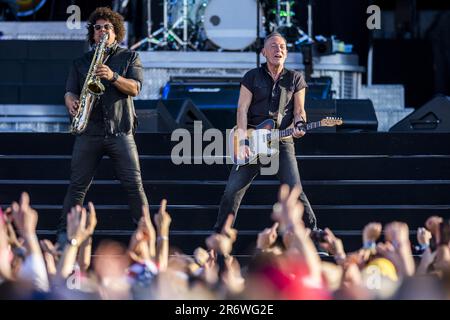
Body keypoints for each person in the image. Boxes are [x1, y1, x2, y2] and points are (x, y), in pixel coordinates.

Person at [57, 7, 148, 243]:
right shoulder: (80, 62)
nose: (102, 31)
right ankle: (64, 238)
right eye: (98, 28)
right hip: (89, 131)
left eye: (107, 27)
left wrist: (113, 76)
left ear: (116, 32)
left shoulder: (129, 57)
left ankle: (147, 237)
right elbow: (69, 91)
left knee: (134, 186)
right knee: (77, 187)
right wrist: (71, 102)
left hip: (121, 132)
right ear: (93, 34)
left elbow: (136, 88)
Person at [213, 32, 318, 233]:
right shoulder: (251, 77)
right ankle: (220, 238)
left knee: (294, 190)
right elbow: (242, 109)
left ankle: (313, 234)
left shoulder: (295, 78)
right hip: (252, 139)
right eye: (273, 46)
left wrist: (300, 124)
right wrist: (243, 141)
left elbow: (299, 111)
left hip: (282, 139)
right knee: (232, 191)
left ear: (286, 53)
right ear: (263, 52)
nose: (278, 50)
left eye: (282, 47)